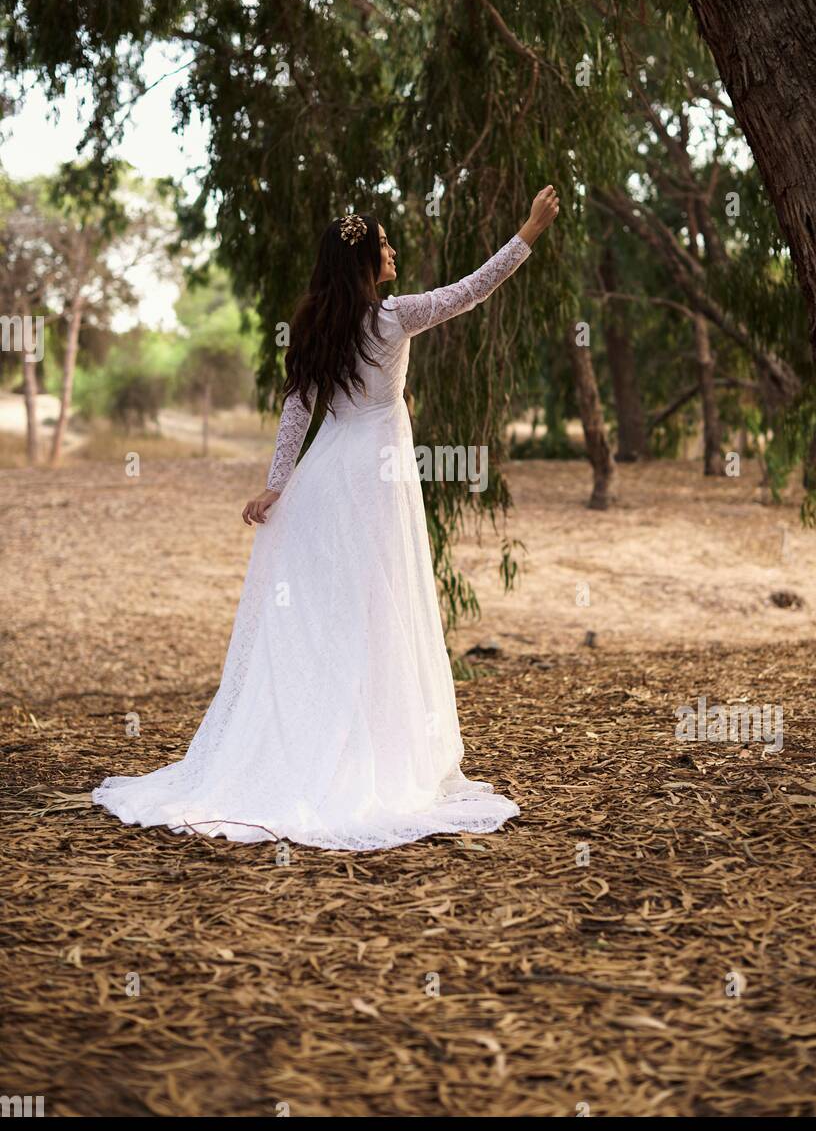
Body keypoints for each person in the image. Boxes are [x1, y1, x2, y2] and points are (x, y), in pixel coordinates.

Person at [92, 186, 560, 850]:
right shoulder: (394, 318)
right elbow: (472, 289)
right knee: (374, 607)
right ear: (367, 263)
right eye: (385, 246)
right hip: (373, 478)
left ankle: (332, 741)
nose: (394, 253)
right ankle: (359, 755)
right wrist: (527, 231)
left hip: (327, 474)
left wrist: (278, 487)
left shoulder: (317, 323)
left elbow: (295, 412)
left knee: (338, 612)